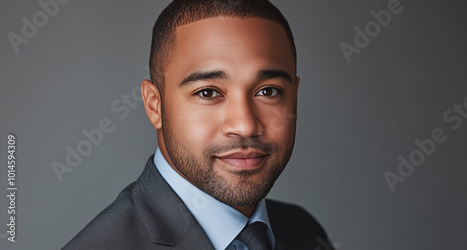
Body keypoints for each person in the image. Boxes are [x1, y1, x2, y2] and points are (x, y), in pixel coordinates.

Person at [63, 0, 334, 249]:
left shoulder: (304, 231)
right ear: (154, 105)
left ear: (294, 98)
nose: (245, 125)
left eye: (268, 91)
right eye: (208, 92)